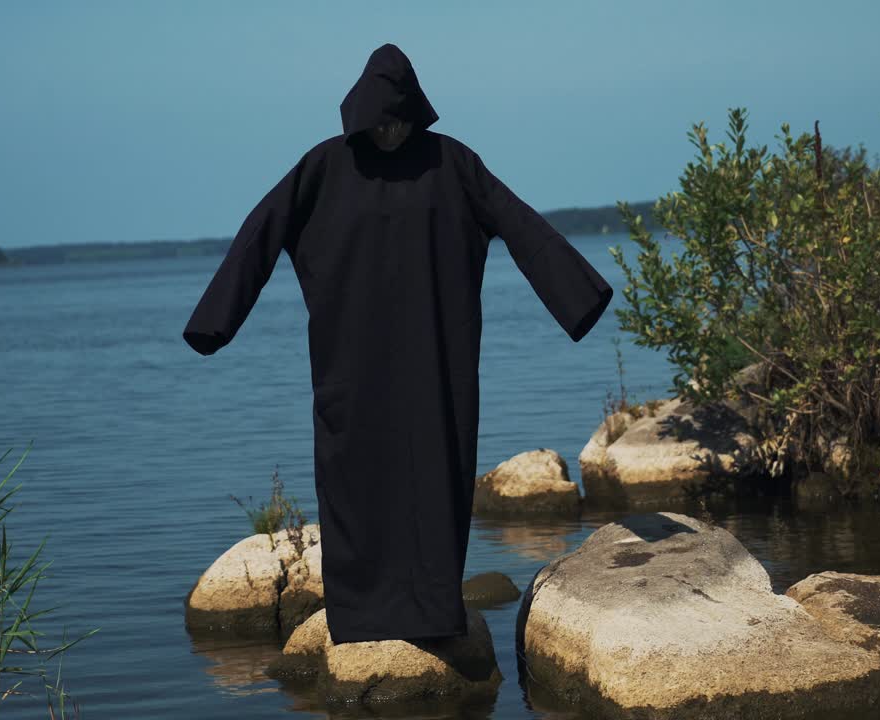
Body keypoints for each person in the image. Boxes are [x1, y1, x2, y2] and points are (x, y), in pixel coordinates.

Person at [183, 43, 614, 643]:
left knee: (434, 480)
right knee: (354, 483)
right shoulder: (323, 168)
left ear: (415, 111)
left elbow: (522, 226)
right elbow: (261, 232)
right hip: (349, 365)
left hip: (437, 361)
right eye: (379, 120)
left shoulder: (452, 164)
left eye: (398, 118)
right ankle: (359, 619)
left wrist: (579, 298)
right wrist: (214, 321)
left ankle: (435, 615)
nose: (388, 130)